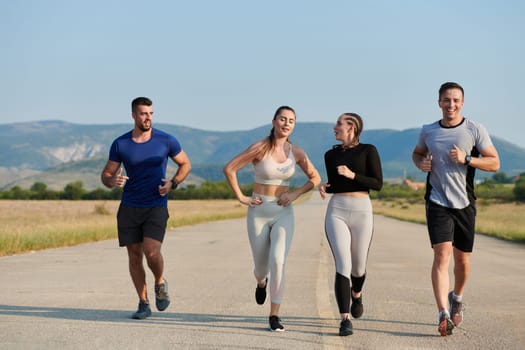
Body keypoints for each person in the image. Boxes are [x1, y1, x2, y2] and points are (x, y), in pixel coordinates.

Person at [412, 82, 500, 336]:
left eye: (456, 100)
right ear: (439, 102)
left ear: (462, 102)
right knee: (442, 256)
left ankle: (457, 297)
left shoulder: (474, 129)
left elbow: (494, 163)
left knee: (462, 260)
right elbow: (417, 154)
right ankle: (443, 313)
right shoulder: (428, 131)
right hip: (438, 202)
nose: (451, 105)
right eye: (446, 100)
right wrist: (421, 164)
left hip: (465, 204)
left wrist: (467, 159)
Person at [223, 105, 321, 332]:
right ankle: (261, 282)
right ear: (274, 121)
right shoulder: (259, 148)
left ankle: (274, 314)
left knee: (278, 261)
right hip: (258, 212)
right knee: (261, 267)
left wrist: (295, 193)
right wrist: (241, 197)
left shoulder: (296, 152)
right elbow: (229, 169)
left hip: (283, 213)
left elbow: (315, 178)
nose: (287, 123)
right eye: (283, 119)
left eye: (291, 121)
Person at [101, 97, 191, 319]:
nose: (147, 117)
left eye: (150, 113)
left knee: (152, 252)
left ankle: (160, 282)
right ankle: (143, 303)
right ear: (133, 115)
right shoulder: (120, 144)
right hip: (130, 206)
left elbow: (185, 164)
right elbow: (106, 174)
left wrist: (173, 183)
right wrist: (112, 181)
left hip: (156, 205)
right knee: (134, 256)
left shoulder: (166, 140)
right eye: (143, 113)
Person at [318, 113, 383, 336]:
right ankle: (345, 319)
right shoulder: (330, 155)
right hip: (337, 211)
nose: (334, 127)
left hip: (362, 210)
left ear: (351, 127)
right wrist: (325, 187)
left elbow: (377, 184)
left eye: (338, 123)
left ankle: (357, 292)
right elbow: (336, 185)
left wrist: (353, 174)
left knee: (358, 267)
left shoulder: (368, 150)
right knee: (342, 265)